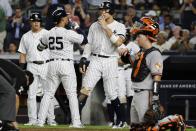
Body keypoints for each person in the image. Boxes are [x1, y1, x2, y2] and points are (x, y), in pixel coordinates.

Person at [36, 8, 87, 128]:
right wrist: (77, 28)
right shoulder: (68, 33)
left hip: (52, 64)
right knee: (71, 94)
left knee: (48, 94)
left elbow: (39, 48)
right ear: (62, 19)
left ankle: (40, 122)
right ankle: (76, 123)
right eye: (66, 17)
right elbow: (85, 39)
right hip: (66, 64)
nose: (67, 18)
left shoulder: (48, 33)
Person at [78, 1, 126, 128]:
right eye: (101, 10)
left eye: (106, 10)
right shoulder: (94, 25)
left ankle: (120, 120)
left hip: (111, 60)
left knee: (111, 93)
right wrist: (84, 58)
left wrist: (105, 27)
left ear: (112, 12)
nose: (103, 12)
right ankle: (75, 120)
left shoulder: (120, 26)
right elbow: (89, 44)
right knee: (85, 89)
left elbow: (119, 43)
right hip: (95, 59)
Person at [119, 17, 163, 130]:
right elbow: (125, 61)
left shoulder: (155, 54)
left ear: (148, 37)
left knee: (147, 127)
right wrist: (125, 55)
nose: (137, 39)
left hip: (146, 94)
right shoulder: (141, 52)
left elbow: (157, 77)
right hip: (136, 94)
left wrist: (155, 98)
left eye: (139, 36)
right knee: (135, 127)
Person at [18, 12, 56, 126]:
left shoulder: (47, 34)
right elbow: (22, 55)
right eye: (34, 21)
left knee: (48, 93)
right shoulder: (25, 36)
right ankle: (32, 120)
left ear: (41, 22)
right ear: (30, 22)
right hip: (31, 66)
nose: (36, 23)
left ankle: (50, 119)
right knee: (31, 94)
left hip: (46, 65)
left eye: (38, 21)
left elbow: (54, 50)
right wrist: (22, 71)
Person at [0, 59, 34, 131]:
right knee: (10, 92)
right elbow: (15, 97)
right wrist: (12, 119)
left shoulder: (13, 72)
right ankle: (5, 123)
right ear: (28, 79)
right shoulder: (22, 76)